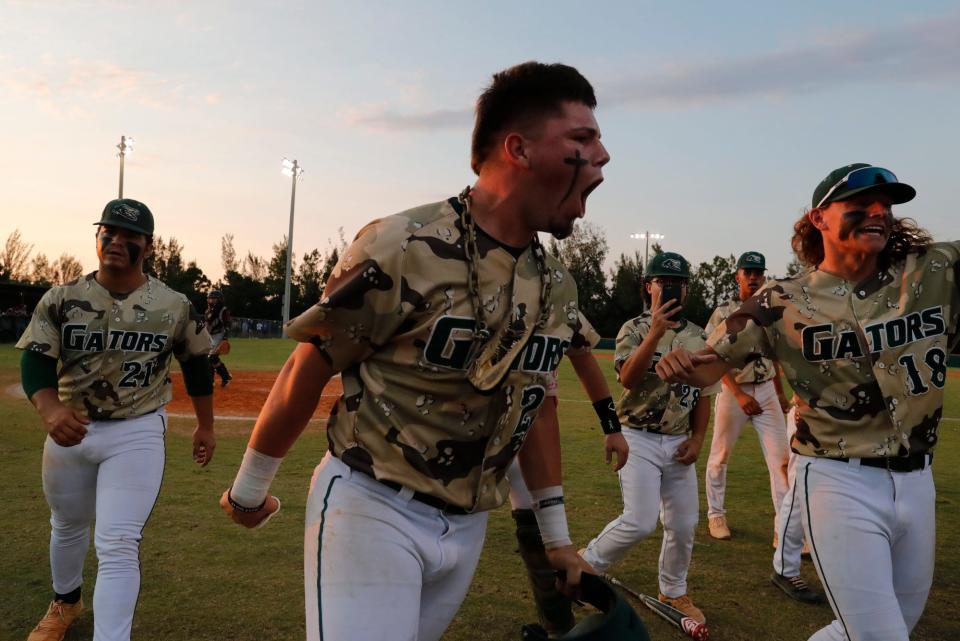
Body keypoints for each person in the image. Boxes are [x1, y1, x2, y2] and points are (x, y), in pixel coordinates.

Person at [219, 61, 610, 641]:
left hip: (469, 525)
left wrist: (556, 539)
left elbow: (537, 407)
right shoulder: (401, 244)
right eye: (582, 138)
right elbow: (310, 363)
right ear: (519, 150)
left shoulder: (558, 285)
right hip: (372, 506)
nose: (601, 155)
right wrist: (250, 489)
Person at [655, 163, 959, 640]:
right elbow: (714, 361)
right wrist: (680, 365)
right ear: (819, 218)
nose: (879, 212)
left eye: (887, 204)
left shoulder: (933, 271)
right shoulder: (782, 299)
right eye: (861, 204)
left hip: (919, 480)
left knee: (890, 625)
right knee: (882, 636)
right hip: (840, 480)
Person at [17, 198, 216, 641]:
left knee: (118, 542)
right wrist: (49, 408)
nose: (117, 241)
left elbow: (198, 364)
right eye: (109, 232)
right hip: (71, 427)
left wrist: (206, 425)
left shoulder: (173, 304)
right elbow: (35, 360)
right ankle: (65, 603)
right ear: (97, 237)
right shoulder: (62, 297)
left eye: (130, 236)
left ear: (148, 246)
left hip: (137, 430)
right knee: (67, 523)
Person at [579, 252, 718, 624]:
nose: (672, 288)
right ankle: (580, 568)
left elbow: (706, 393)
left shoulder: (698, 335)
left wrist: (699, 438)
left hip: (677, 441)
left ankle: (673, 592)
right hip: (637, 435)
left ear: (687, 289)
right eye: (663, 282)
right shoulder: (634, 328)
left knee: (684, 523)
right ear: (648, 286)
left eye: (679, 283)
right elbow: (627, 378)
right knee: (640, 521)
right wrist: (656, 330)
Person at [509, 313, 628, 637]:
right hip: (446, 441)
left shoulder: (551, 285)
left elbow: (581, 358)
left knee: (539, 535)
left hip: (523, 428)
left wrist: (611, 427)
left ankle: (559, 627)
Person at [704, 251, 791, 544]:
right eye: (748, 272)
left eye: (758, 272)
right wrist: (739, 394)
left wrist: (779, 394)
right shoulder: (724, 312)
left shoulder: (771, 311)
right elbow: (714, 358)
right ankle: (715, 515)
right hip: (733, 391)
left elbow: (775, 357)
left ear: (764, 276)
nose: (753, 277)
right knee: (719, 456)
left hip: (766, 389)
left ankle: (784, 527)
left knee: (781, 460)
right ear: (738, 276)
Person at [205, 289, 233, 387]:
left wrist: (225, 337)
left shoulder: (223, 310)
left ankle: (225, 377)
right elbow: (207, 325)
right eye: (210, 299)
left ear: (219, 300)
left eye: (213, 299)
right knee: (210, 357)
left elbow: (227, 324)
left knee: (211, 357)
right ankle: (214, 379)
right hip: (210, 336)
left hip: (219, 335)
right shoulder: (208, 311)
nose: (210, 301)